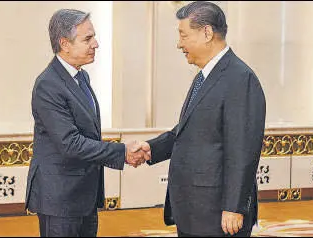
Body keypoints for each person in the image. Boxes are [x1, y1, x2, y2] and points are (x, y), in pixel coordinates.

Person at [134, 1, 266, 237]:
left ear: (207, 33)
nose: (179, 44)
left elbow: (243, 150)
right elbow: (188, 130)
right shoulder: (204, 76)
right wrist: (151, 148)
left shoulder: (239, 78)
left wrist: (234, 207)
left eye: (183, 35)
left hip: (218, 213)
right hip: (196, 210)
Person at [25, 9, 148, 237]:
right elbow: (69, 143)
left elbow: (88, 133)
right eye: (88, 39)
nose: (96, 44)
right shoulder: (48, 85)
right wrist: (122, 152)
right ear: (65, 44)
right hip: (60, 199)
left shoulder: (82, 77)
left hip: (84, 196)